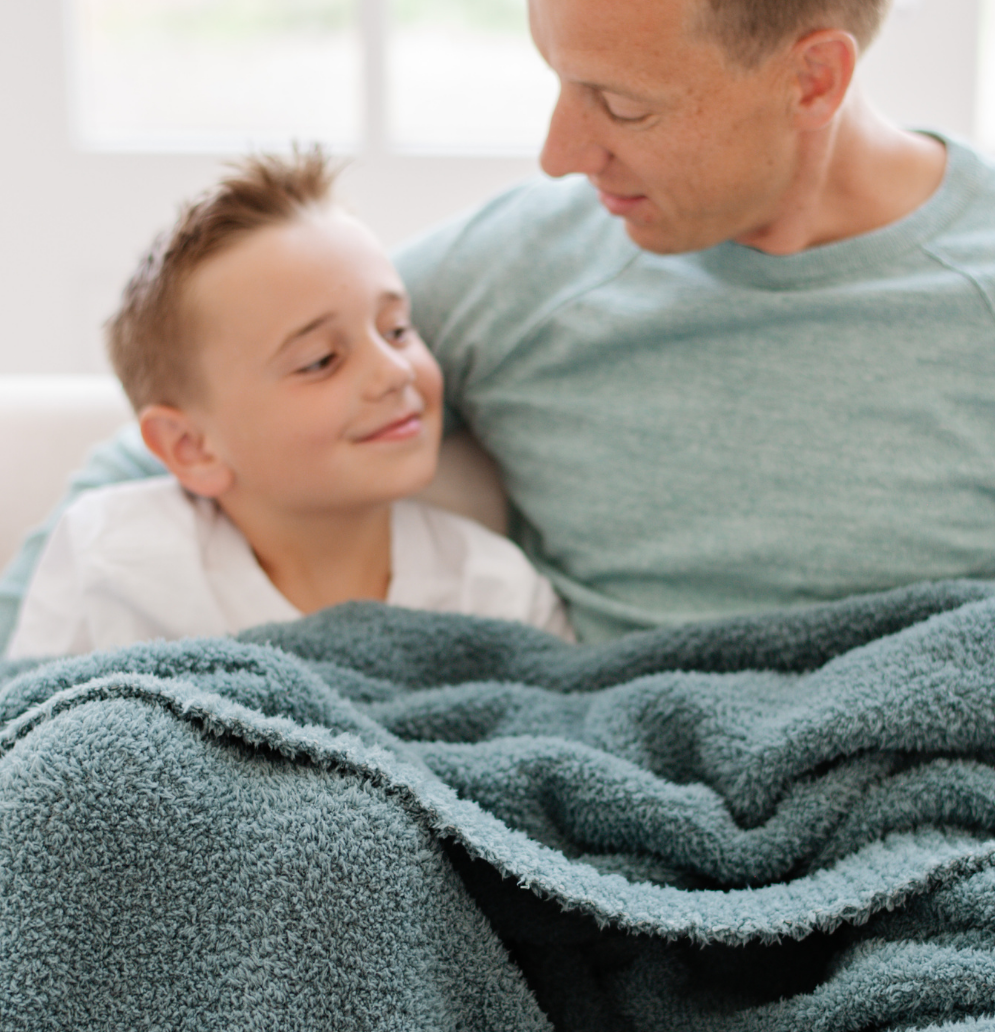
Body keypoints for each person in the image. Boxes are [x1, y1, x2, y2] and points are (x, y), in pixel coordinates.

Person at [3, 0, 995, 647]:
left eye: (622, 106)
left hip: (943, 854)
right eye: (561, 83)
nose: (561, 152)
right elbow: (191, 432)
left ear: (813, 76)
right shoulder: (531, 260)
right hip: (606, 855)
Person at [4, 154, 572, 659]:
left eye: (397, 330)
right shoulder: (110, 562)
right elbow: (36, 739)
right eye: (321, 360)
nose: (394, 372)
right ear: (191, 446)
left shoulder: (495, 593)